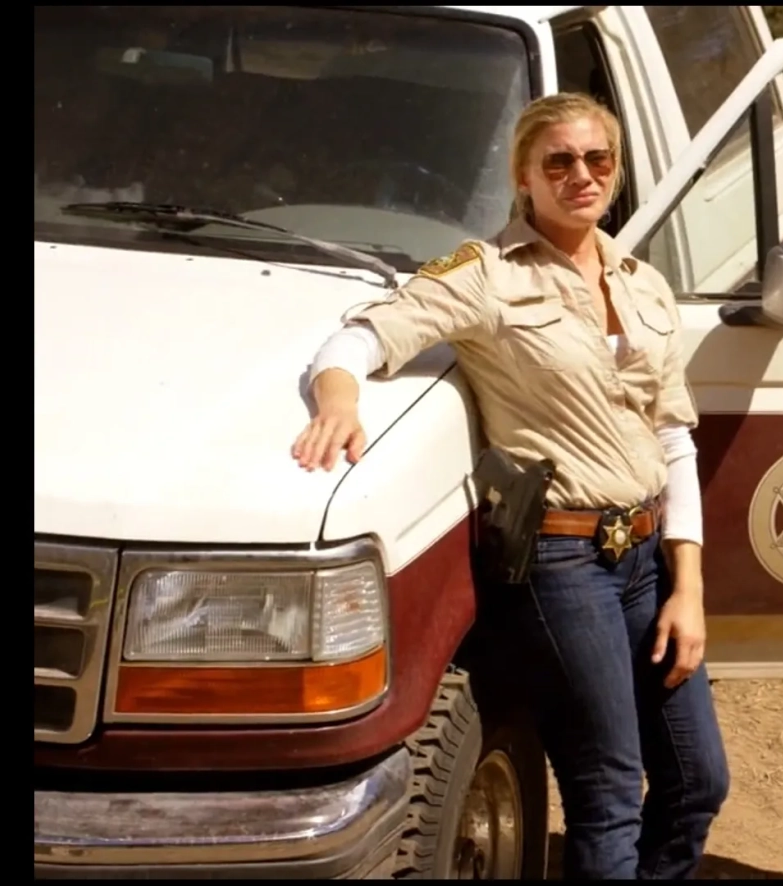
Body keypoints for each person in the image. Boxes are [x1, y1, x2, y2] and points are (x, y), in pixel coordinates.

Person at [288, 92, 729, 880]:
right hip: (566, 567)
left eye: (597, 160)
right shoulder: (486, 277)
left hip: (647, 561)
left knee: (698, 782)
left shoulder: (644, 284)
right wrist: (340, 400)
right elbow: (360, 334)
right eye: (558, 162)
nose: (580, 176)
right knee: (609, 790)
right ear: (525, 176)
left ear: (618, 170)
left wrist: (687, 587)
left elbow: (674, 437)